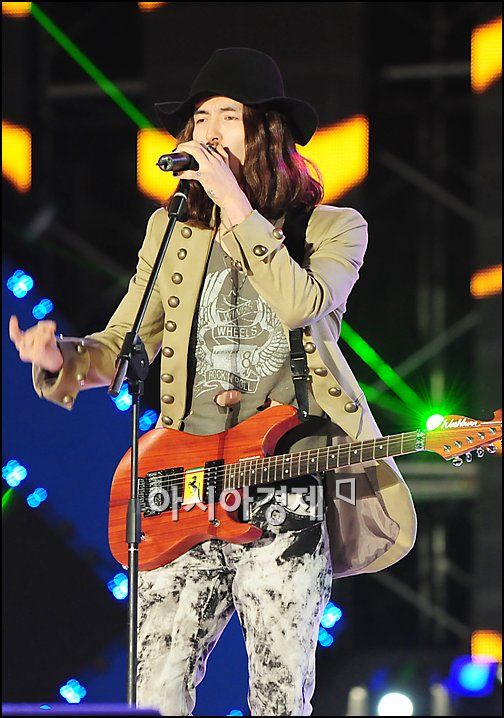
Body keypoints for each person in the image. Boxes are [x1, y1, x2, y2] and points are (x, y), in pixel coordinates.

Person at [9, 48, 417, 717]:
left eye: (228, 115)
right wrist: (62, 359)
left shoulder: (334, 229)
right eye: (199, 119)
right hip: (181, 482)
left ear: (269, 132)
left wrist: (233, 203)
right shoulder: (171, 230)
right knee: (155, 692)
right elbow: (125, 342)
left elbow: (300, 305)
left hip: (282, 484)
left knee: (278, 693)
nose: (209, 131)